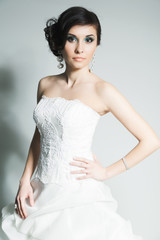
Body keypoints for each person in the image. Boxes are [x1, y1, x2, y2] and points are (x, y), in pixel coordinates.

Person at [0, 6, 160, 240]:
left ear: (97, 44)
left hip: (77, 195)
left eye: (89, 39)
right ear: (60, 41)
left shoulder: (102, 90)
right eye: (71, 38)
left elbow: (151, 140)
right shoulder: (45, 84)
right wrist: (24, 180)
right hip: (40, 190)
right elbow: (41, 134)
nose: (80, 48)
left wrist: (105, 172)